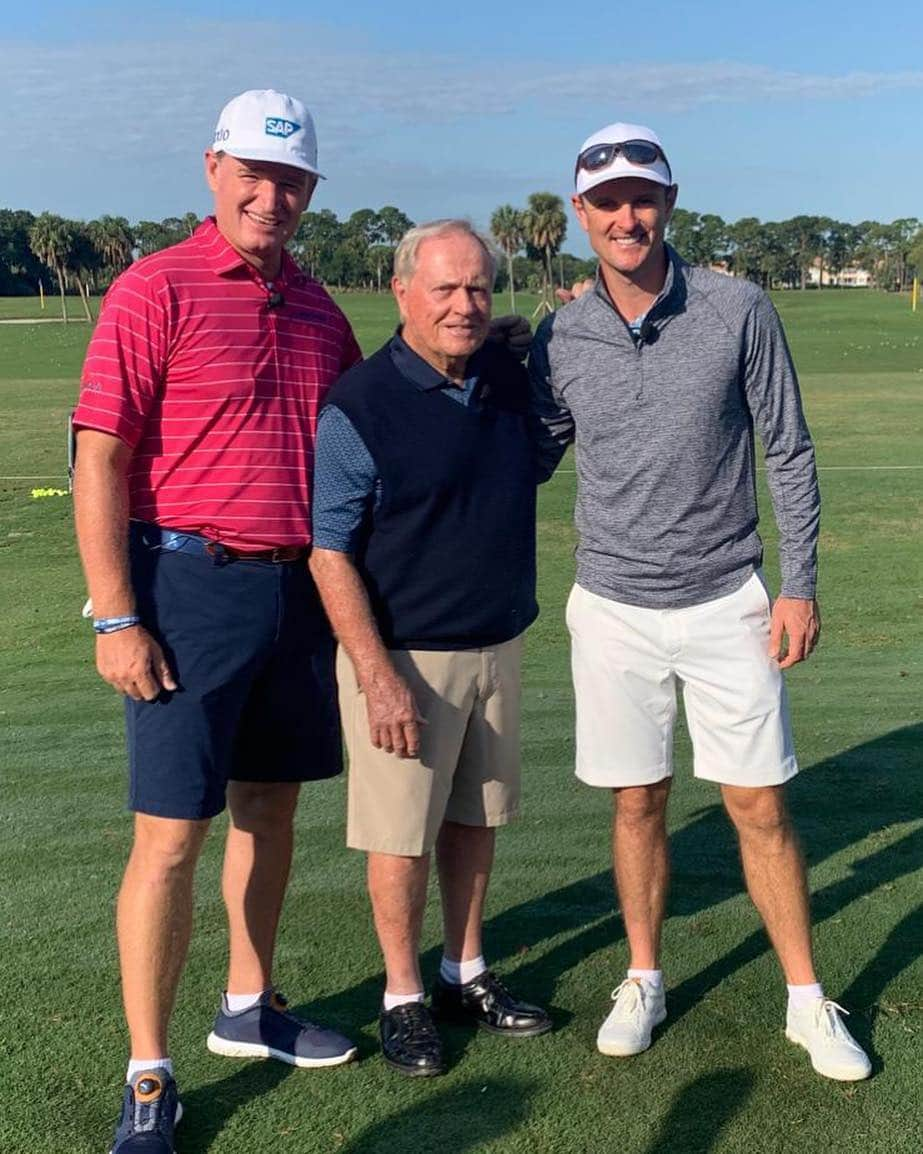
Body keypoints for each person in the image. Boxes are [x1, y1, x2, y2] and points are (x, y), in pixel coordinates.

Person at [529, 122, 871, 1081]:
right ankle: (644, 976)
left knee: (757, 806)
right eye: (606, 202)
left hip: (727, 598)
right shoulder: (560, 333)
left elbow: (788, 452)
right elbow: (531, 450)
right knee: (637, 801)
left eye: (642, 198)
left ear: (668, 204)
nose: (626, 216)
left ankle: (806, 999)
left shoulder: (737, 307)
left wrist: (797, 584)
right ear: (579, 214)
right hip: (612, 607)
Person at [73, 90, 362, 1154]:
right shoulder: (154, 287)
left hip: (293, 594)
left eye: (289, 180)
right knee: (168, 836)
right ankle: (149, 1071)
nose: (269, 195)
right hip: (185, 585)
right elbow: (99, 456)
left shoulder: (325, 311)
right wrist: (115, 615)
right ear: (211, 168)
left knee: (270, 809)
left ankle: (249, 1002)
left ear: (310, 192)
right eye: (252, 171)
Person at [309, 219, 552, 1076]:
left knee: (475, 819)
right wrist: (376, 677)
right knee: (401, 835)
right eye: (445, 289)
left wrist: (531, 353)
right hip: (403, 658)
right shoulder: (358, 405)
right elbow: (328, 549)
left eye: (478, 289)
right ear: (401, 291)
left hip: (498, 641)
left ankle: (464, 969)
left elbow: (540, 459)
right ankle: (403, 995)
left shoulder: (501, 381)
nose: (464, 305)